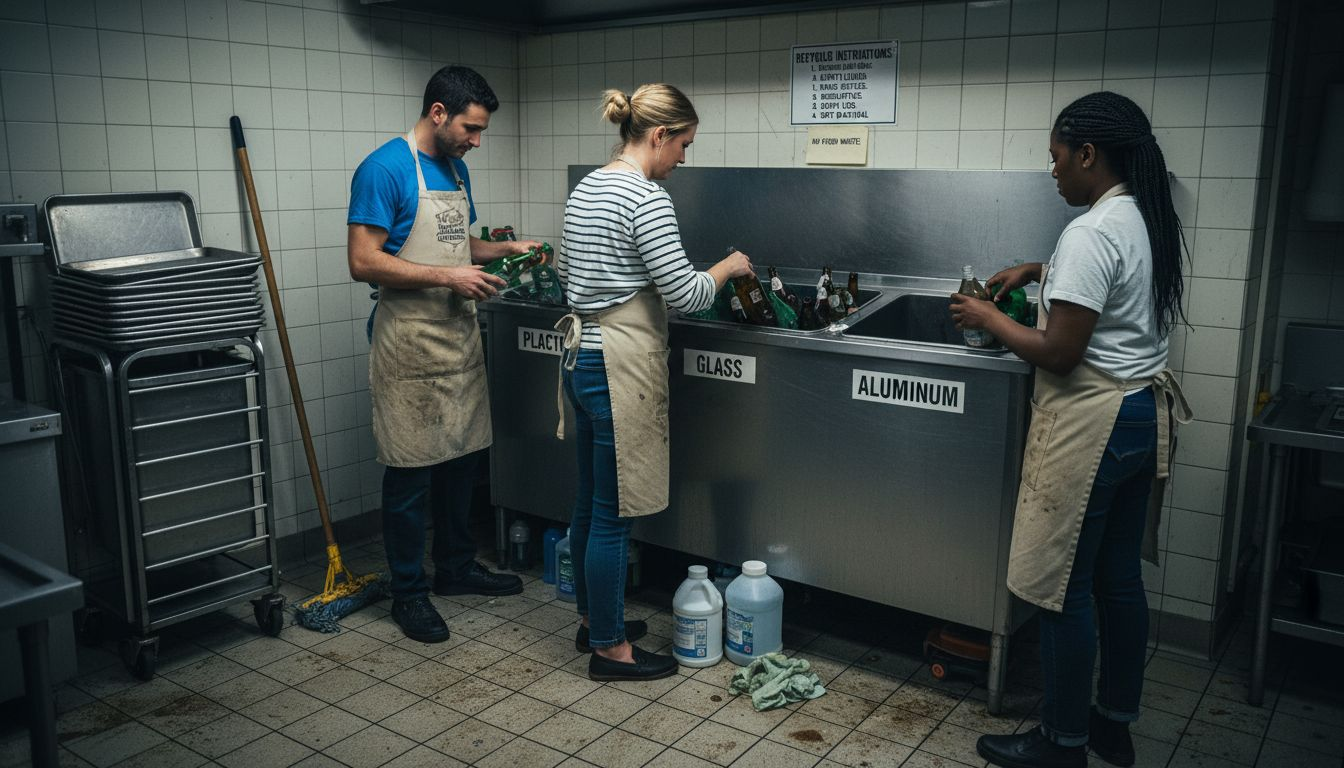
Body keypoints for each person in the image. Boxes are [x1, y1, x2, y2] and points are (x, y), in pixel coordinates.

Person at [951, 92, 1193, 768]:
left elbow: (1060, 351)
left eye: (1056, 157)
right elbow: (1111, 293)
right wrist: (1038, 271)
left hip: (1095, 425)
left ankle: (1061, 744)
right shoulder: (1144, 214)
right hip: (1143, 416)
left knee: (1058, 588)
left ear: (1088, 154)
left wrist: (986, 317)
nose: (1051, 169)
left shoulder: (1088, 231)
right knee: (1116, 580)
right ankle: (1112, 724)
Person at [554, 84, 755, 681]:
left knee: (591, 504)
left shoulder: (588, 186)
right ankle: (611, 651)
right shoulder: (646, 198)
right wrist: (727, 268)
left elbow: (575, 275)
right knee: (617, 514)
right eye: (684, 144)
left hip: (580, 360)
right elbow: (688, 294)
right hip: (619, 368)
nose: (684, 159)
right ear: (659, 135)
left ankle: (595, 623)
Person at [347, 66, 541, 644]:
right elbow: (364, 260)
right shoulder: (383, 169)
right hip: (408, 341)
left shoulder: (453, 169)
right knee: (410, 472)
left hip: (456, 338)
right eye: (471, 129)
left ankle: (455, 568)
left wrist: (503, 248)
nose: (476, 142)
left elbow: (459, 245)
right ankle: (409, 592)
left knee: (462, 458)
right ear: (438, 113)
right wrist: (447, 277)